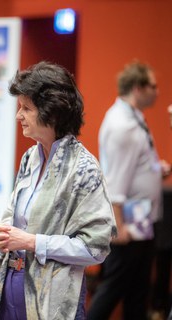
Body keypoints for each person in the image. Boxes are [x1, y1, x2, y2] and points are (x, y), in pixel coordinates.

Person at [0, 61, 117, 320]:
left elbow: (96, 248)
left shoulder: (84, 168)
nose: (18, 115)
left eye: (26, 108)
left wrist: (31, 242)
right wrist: (3, 233)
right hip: (8, 289)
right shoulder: (30, 157)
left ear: (52, 113)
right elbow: (14, 216)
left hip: (52, 302)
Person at [88, 61, 170, 320]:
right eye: (153, 86)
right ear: (138, 88)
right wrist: (118, 225)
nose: (158, 92)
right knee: (114, 287)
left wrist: (156, 170)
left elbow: (133, 166)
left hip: (142, 218)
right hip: (129, 223)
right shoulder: (123, 125)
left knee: (138, 290)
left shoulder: (133, 118)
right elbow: (115, 179)